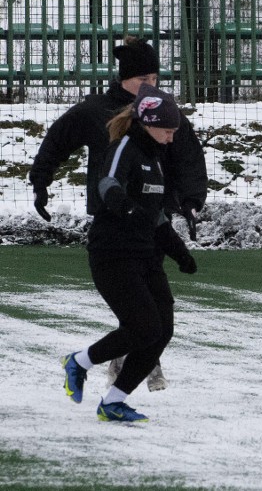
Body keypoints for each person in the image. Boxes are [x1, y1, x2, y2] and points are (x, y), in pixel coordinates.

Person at [29, 36, 207, 391]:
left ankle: (128, 362)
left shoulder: (163, 111)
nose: (150, 87)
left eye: (155, 80)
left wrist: (189, 200)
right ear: (124, 78)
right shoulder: (97, 110)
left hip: (153, 221)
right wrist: (41, 181)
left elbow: (187, 155)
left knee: (153, 313)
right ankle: (124, 362)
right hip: (115, 223)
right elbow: (57, 139)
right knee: (139, 310)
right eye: (143, 80)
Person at [61, 84, 197, 422]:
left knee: (161, 330)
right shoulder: (125, 146)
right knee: (142, 327)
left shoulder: (154, 157)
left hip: (146, 256)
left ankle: (113, 402)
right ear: (149, 124)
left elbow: (158, 216)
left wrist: (179, 252)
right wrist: (126, 208)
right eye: (167, 131)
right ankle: (78, 362)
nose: (171, 138)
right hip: (113, 254)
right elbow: (108, 183)